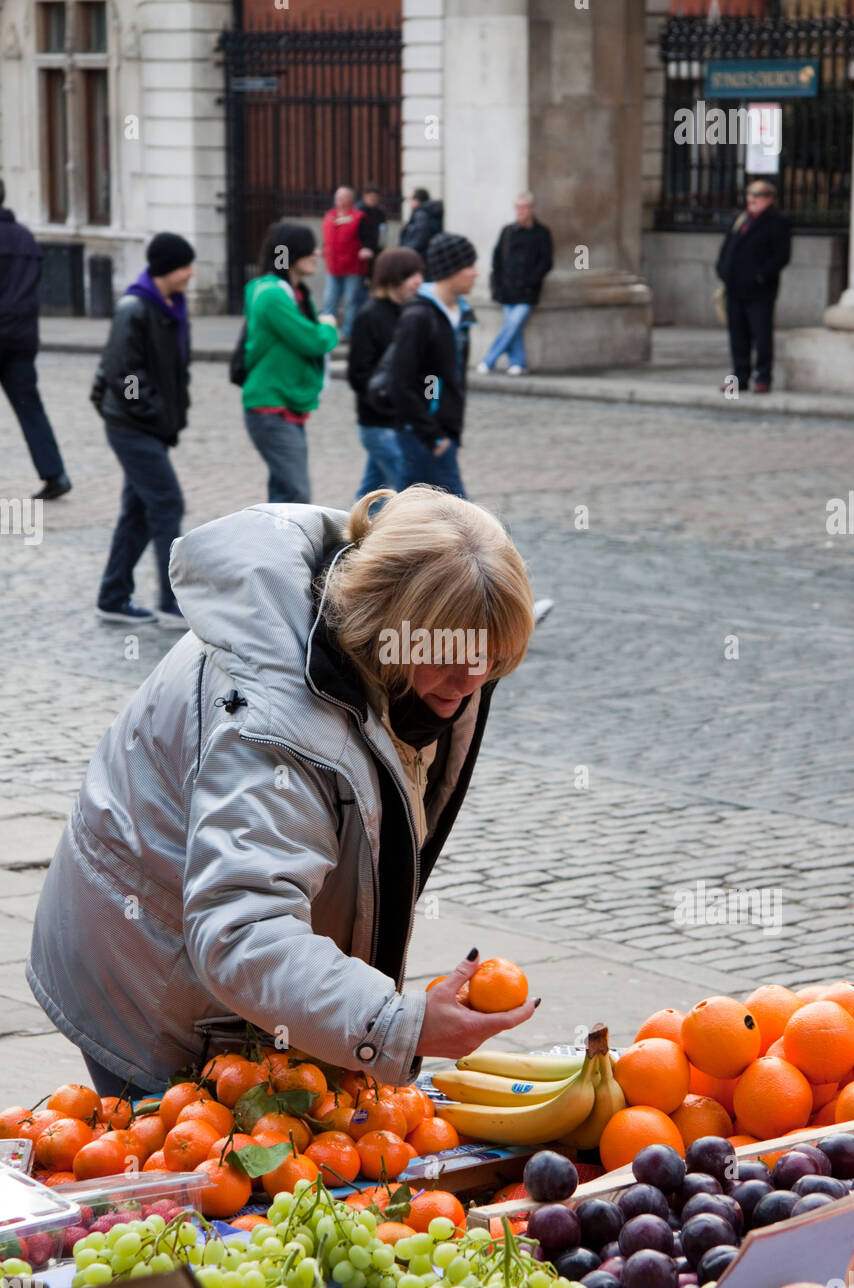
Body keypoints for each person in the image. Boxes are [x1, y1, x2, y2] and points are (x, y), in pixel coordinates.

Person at [26, 486, 539, 1097]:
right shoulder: (277, 719)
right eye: (451, 649)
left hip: (209, 964)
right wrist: (397, 1024)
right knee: (181, 1179)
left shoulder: (406, 659)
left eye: (495, 652)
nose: (474, 675)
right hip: (146, 977)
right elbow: (244, 930)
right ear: (385, 624)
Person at [92, 232, 194, 626]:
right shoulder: (134, 306)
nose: (191, 273)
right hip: (130, 425)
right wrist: (150, 410)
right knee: (167, 502)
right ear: (167, 268)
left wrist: (171, 416)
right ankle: (170, 603)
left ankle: (112, 597)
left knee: (137, 511)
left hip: (152, 426)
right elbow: (123, 373)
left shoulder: (174, 306)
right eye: (185, 265)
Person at [242, 222, 339, 505]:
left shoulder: (294, 292)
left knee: (284, 498)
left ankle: (268, 549)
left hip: (284, 405)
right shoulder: (273, 294)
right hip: (270, 406)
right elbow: (313, 341)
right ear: (289, 254)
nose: (316, 254)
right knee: (297, 497)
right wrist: (329, 326)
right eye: (308, 249)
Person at [389, 233, 478, 498]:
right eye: (469, 266)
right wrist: (433, 436)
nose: (476, 273)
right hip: (424, 436)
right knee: (461, 519)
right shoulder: (419, 316)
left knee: (410, 512)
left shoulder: (461, 313)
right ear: (452, 270)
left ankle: (374, 537)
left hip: (442, 432)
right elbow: (400, 382)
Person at [0, 177, 71, 500]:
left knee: (30, 407)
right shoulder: (26, 239)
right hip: (21, 339)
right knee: (31, 409)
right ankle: (55, 473)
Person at [348, 247, 425, 498]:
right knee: (410, 492)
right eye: (411, 274)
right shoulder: (370, 315)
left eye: (420, 273)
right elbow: (358, 374)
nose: (419, 281)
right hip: (379, 423)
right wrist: (387, 402)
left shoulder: (410, 312)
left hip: (400, 421)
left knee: (372, 495)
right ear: (393, 277)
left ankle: (353, 534)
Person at [715, 180, 792, 394]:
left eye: (757, 194)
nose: (752, 198)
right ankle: (739, 376)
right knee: (737, 335)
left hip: (760, 290)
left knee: (761, 334)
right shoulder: (741, 219)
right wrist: (722, 270)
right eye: (749, 194)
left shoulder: (777, 221)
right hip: (734, 287)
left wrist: (760, 276)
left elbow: (781, 256)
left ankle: (763, 377)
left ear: (769, 198)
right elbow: (727, 247)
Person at [478, 192, 553, 378]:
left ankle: (489, 360)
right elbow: (497, 258)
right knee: (514, 328)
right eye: (517, 208)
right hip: (507, 289)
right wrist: (499, 281)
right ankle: (518, 363)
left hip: (527, 290)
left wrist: (532, 280)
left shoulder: (541, 233)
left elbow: (546, 262)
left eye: (523, 208)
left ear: (531, 209)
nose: (520, 212)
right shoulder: (507, 231)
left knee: (512, 324)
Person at [322, 186, 367, 341]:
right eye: (337, 197)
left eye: (343, 197)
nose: (339, 200)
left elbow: (365, 240)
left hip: (352, 267)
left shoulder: (358, 217)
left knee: (350, 302)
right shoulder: (329, 216)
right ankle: (327, 332)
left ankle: (348, 332)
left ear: (350, 199)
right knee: (329, 301)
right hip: (333, 267)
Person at [399, 188, 443, 270]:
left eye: (411, 199)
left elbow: (420, 236)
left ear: (417, 200)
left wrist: (406, 251)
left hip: (420, 256)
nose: (410, 203)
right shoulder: (428, 211)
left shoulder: (421, 214)